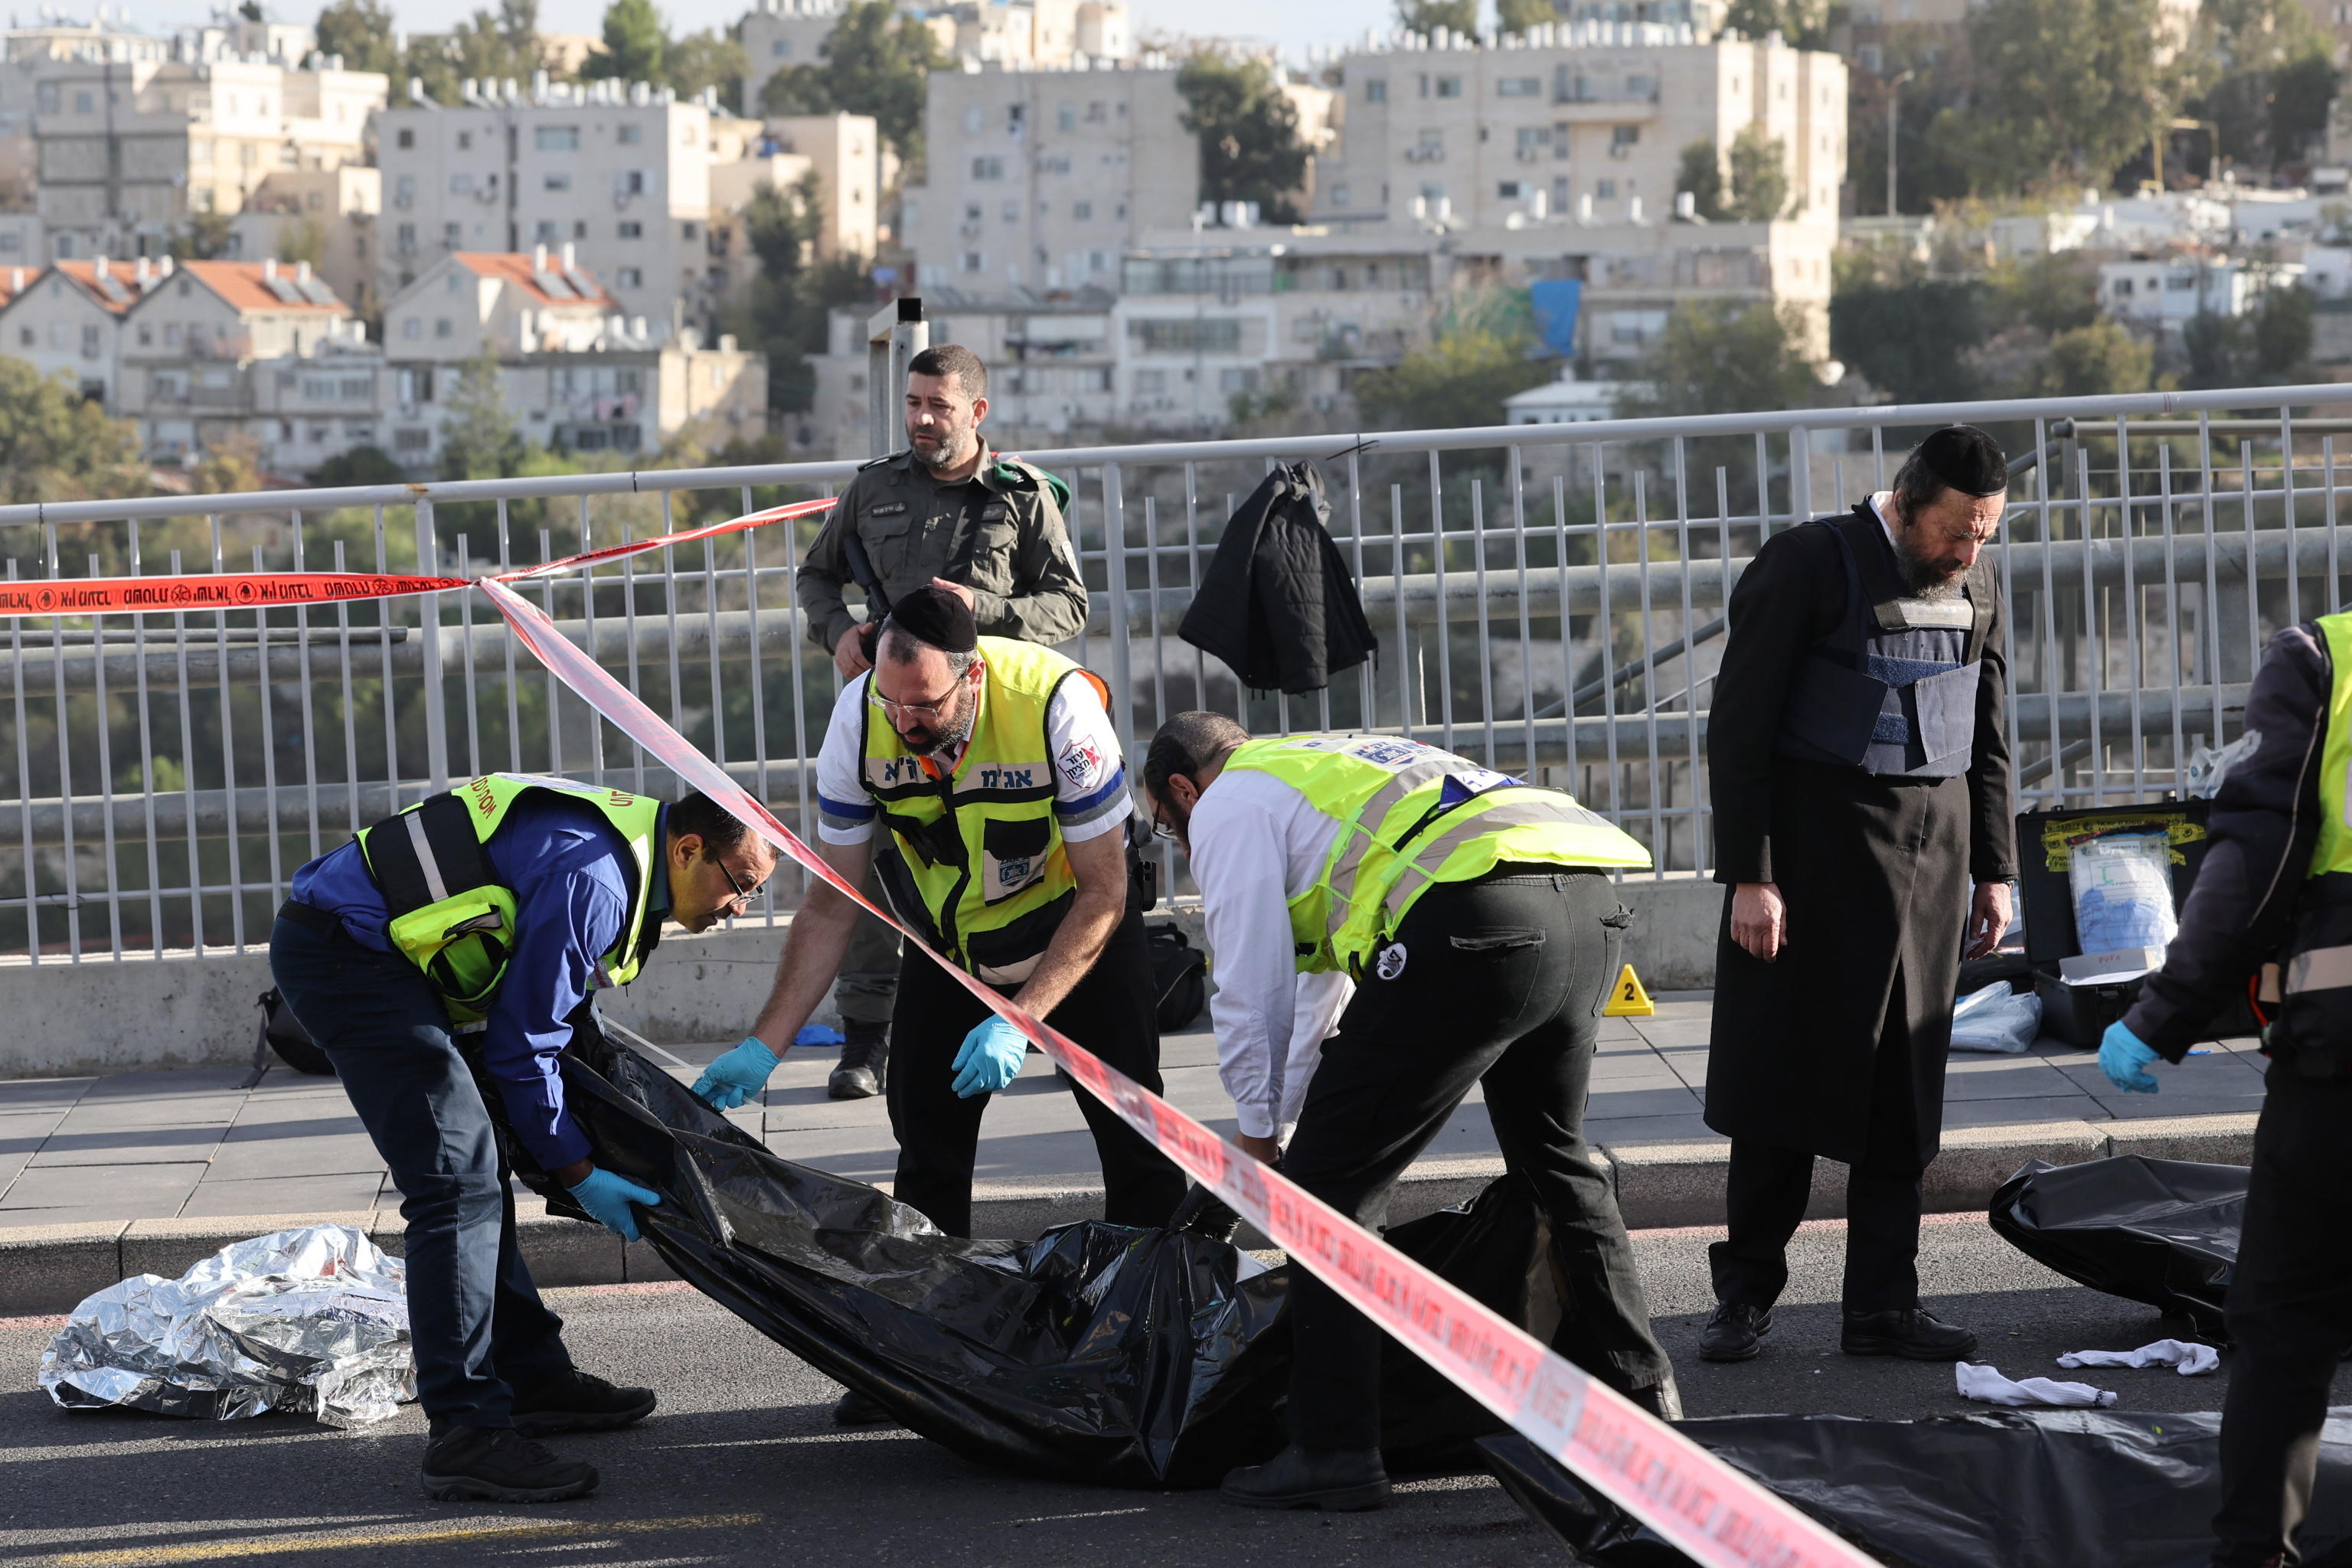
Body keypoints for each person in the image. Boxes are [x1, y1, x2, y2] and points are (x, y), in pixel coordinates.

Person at [1141, 713, 1680, 1514]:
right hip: (1585, 910)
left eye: (1165, 823)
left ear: (1184, 788)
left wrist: (1258, 1135)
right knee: (1556, 1158)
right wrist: (1282, 1123)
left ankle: (1334, 1449)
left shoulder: (1226, 803)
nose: (1179, 840)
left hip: (1478, 926)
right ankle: (1648, 1404)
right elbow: (1318, 989)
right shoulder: (1321, 761)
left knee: (1329, 1195)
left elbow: (1253, 985)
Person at [694, 586, 1185, 1413]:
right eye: (892, 700)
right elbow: (830, 902)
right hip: (951, 949)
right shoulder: (860, 718)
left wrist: (1018, 1018)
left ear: (974, 675)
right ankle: (918, 1356)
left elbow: (1104, 893)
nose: (906, 721)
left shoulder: (1058, 707)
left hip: (1077, 938)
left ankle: (1151, 1346)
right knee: (925, 1146)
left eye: (924, 705)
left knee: (1135, 1144)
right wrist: (765, 1045)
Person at [270, 775, 776, 1503]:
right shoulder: (597, 880)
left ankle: (531, 1379)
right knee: (456, 1183)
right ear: (688, 848)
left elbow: (556, 1021)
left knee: (478, 1169)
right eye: (742, 885)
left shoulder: (622, 859)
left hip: (388, 957)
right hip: (348, 958)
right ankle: (467, 1434)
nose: (740, 907)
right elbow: (522, 1048)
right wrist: (577, 1173)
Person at [1698, 426, 2018, 1366]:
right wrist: (1750, 873)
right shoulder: (1805, 563)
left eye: (1984, 535)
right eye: (1957, 532)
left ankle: (1883, 1305)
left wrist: (1994, 868)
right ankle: (1743, 1297)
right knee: (1783, 1089)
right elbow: (1741, 726)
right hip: (1810, 866)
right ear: (1909, 501)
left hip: (1934, 863)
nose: (1968, 552)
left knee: (1903, 1100)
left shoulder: (1978, 585)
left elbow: (1991, 729)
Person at [2096, 616, 2352, 1568]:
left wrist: (2163, 1013)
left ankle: (2256, 1556)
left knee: (2288, 1318)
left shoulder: (2326, 659)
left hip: (2343, 1061)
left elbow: (2256, 860)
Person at [794, 342, 1089, 1101]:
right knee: (866, 868)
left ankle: (1054, 1021)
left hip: (999, 718)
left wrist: (977, 609)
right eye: (914, 403)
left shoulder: (1023, 496)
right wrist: (841, 635)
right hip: (898, 716)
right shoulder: (873, 490)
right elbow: (815, 575)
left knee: (1034, 867)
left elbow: (1068, 605)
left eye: (940, 407)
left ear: (977, 412)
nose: (923, 419)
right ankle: (867, 1038)